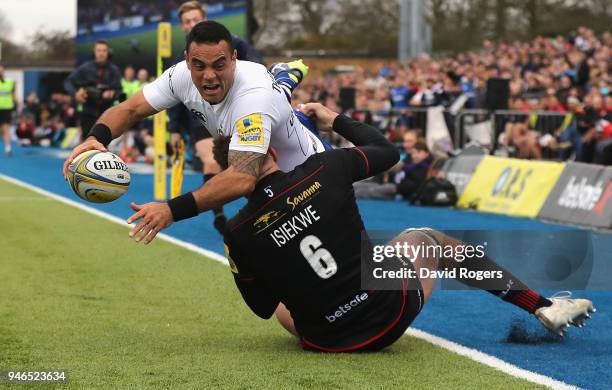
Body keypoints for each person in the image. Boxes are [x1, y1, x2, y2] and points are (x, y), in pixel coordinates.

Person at [129, 102, 595, 351]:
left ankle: (330, 310)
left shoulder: (236, 231)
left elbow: (261, 308)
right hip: (389, 317)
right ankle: (541, 305)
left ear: (229, 172)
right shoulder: (324, 169)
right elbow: (387, 152)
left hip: (325, 339)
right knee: (426, 238)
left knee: (283, 303)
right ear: (270, 151)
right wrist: (334, 120)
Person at [63, 21, 319, 232]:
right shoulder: (180, 76)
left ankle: (284, 81)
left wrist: (171, 209)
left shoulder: (252, 96)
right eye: (199, 65)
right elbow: (130, 109)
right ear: (187, 60)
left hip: (313, 179)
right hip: (267, 186)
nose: (209, 75)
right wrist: (94, 138)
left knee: (352, 275)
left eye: (219, 64)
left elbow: (242, 177)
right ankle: (285, 80)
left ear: (234, 59)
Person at [168, 1, 266, 234]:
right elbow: (173, 95)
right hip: (200, 118)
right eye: (187, 21)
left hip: (237, 113)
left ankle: (262, 211)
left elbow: (258, 67)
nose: (192, 24)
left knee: (248, 169)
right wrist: (173, 128)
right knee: (211, 162)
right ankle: (220, 217)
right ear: (183, 27)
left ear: (205, 18)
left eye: (195, 19)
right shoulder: (179, 61)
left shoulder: (234, 43)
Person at [63, 40, 122, 141]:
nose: (101, 53)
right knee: (86, 141)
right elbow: (68, 82)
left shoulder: (114, 70)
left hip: (106, 113)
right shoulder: (85, 68)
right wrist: (75, 94)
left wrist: (113, 94)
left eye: (104, 51)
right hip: (88, 112)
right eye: (99, 50)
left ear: (108, 53)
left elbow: (119, 91)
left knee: (103, 143)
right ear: (94, 52)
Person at [0, 65, 17, 156]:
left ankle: (8, 148)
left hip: (6, 109)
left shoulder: (10, 82)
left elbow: (14, 95)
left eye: (1, 70)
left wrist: (19, 103)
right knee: (2, 130)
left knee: (6, 128)